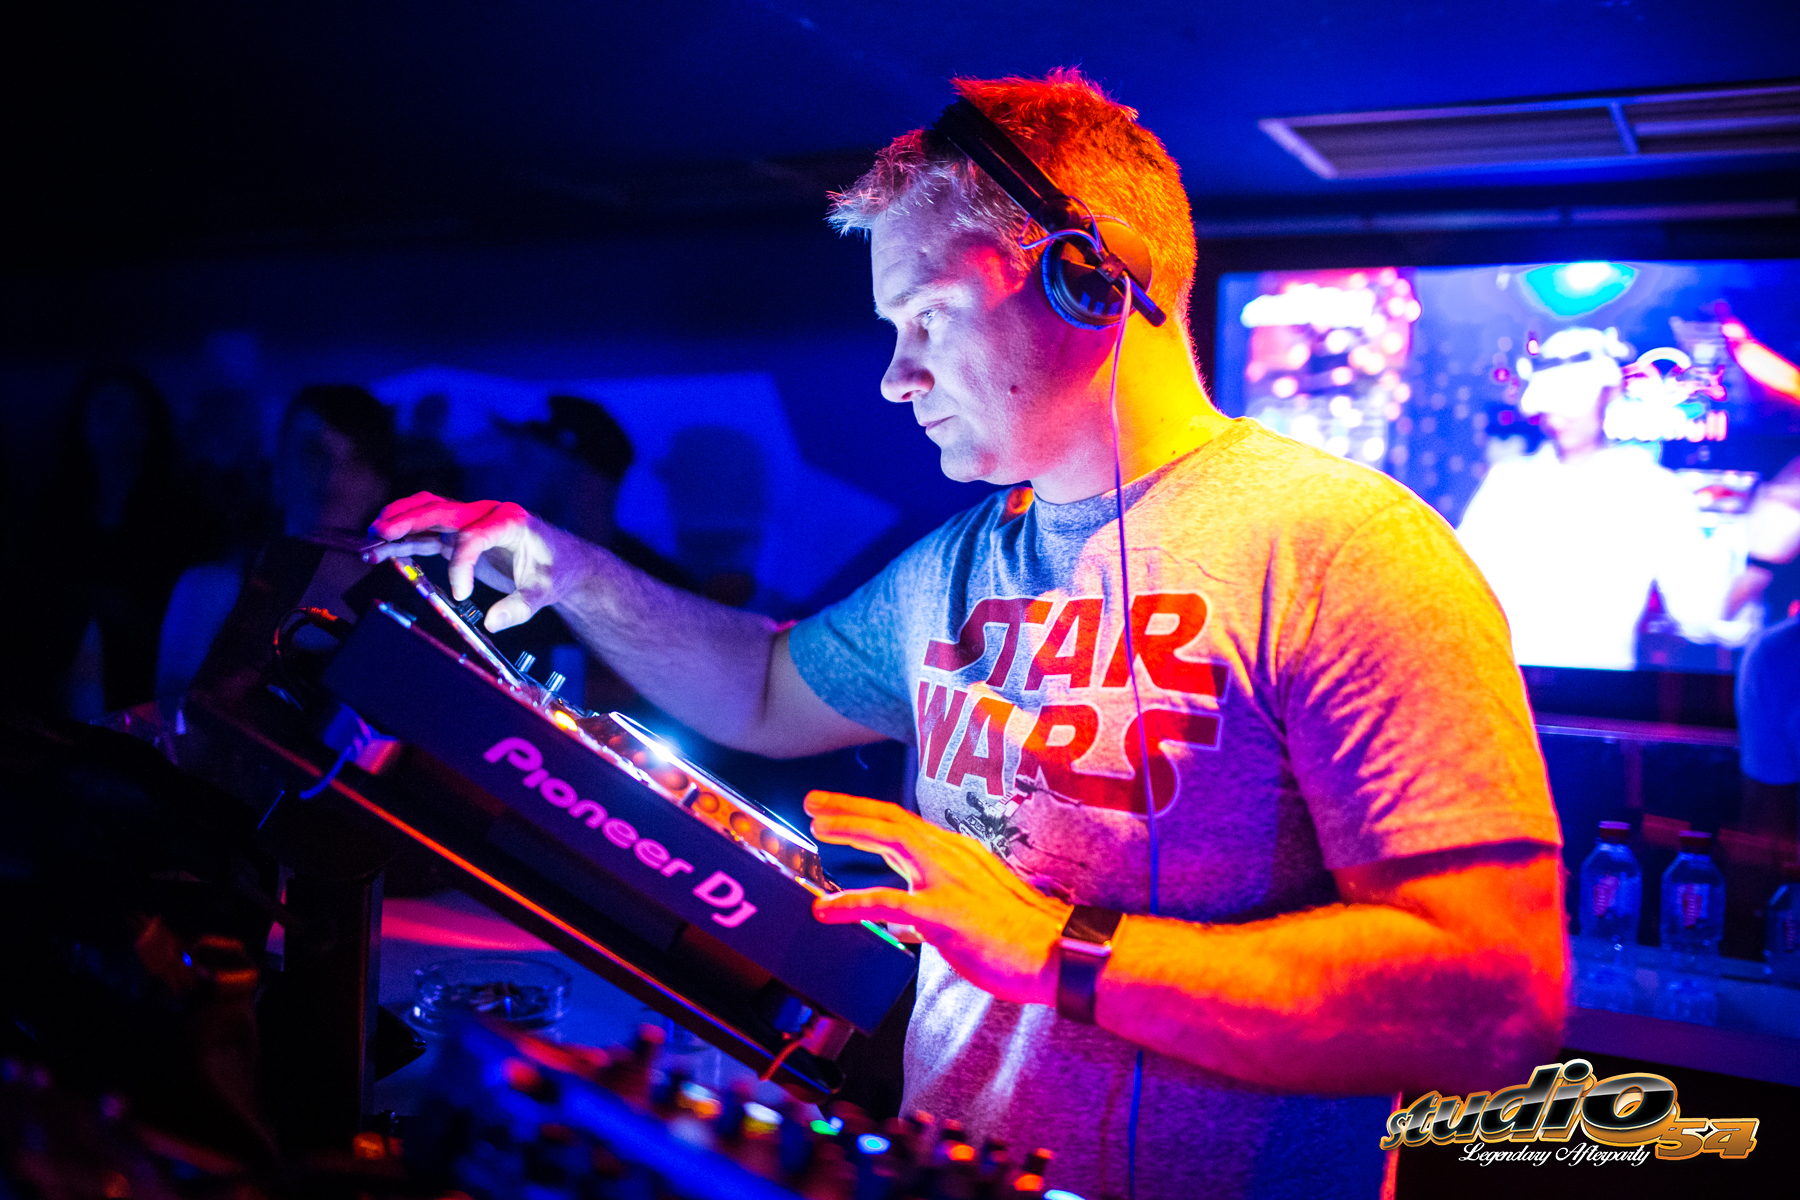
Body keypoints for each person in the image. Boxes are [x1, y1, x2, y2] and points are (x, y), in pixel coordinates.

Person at [369, 70, 1564, 1200]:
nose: (897, 378)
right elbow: (764, 688)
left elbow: (1492, 1002)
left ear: (1093, 276)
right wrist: (565, 569)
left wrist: (1063, 953)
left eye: (931, 315)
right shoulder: (958, 563)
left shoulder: (1345, 550)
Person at [1457, 326, 1730, 670]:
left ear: (1608, 393)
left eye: (1572, 402)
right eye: (1550, 404)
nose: (1558, 418)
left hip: (1599, 692)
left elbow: (1699, 613)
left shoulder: (1652, 489)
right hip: (1499, 683)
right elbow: (1460, 585)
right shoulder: (1507, 482)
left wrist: (1761, 564)